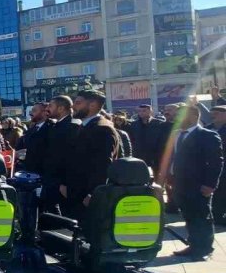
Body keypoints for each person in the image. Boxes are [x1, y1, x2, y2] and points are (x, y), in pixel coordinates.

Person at [169, 105, 223, 260]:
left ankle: (204, 249)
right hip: (180, 184)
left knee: (202, 216)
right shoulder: (176, 135)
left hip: (199, 185)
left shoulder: (207, 135)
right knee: (188, 215)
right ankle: (193, 244)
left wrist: (210, 185)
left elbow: (215, 162)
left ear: (193, 116)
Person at [65, 90, 121, 221]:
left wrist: (94, 193)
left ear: (92, 105)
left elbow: (103, 165)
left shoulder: (102, 129)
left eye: (78, 103)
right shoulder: (85, 126)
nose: (73, 106)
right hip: (76, 191)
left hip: (87, 195)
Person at [42, 96, 80, 216]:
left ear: (61, 108)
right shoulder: (56, 125)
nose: (48, 109)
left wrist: (65, 183)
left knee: (65, 219)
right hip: (52, 180)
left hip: (62, 183)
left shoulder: (72, 126)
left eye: (51, 106)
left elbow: (72, 157)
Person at [17, 102, 52, 175]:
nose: (31, 114)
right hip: (30, 172)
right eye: (31, 111)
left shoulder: (52, 128)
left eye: (34, 111)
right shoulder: (31, 129)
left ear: (45, 112)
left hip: (45, 173)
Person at [128, 104, 166, 172]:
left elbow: (162, 140)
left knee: (156, 176)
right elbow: (132, 139)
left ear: (150, 112)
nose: (141, 113)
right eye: (139, 111)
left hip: (154, 156)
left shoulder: (159, 123)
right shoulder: (134, 124)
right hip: (139, 155)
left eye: (144, 111)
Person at [208, 106, 226, 225]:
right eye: (212, 113)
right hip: (211, 168)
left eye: (217, 113)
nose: (213, 115)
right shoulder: (207, 130)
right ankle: (217, 216)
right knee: (217, 193)